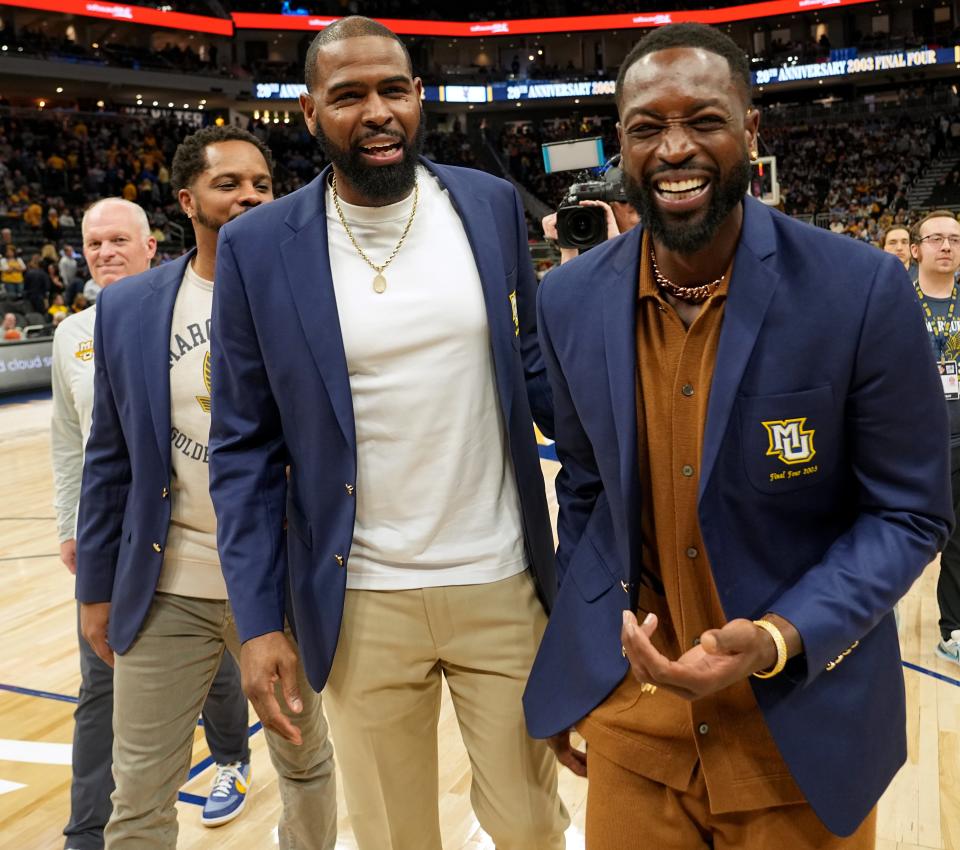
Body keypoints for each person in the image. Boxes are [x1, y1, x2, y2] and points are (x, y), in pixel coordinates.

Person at [523, 22, 952, 848]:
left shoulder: (859, 289)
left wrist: (776, 637)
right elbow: (585, 498)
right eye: (647, 126)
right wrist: (570, 666)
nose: (674, 147)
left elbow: (907, 513)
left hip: (799, 734)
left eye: (704, 120)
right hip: (634, 733)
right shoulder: (568, 299)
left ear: (751, 132)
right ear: (621, 143)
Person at [207, 16, 568, 850]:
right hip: (358, 595)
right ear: (308, 113)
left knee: (532, 827)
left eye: (392, 90)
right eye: (348, 95)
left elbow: (531, 366)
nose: (376, 111)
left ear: (419, 98)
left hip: (503, 579)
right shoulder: (259, 246)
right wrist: (260, 621)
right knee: (394, 837)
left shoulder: (485, 204)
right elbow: (244, 447)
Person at [74, 129, 336, 850]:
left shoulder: (312, 296)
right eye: (229, 184)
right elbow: (110, 460)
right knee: (140, 793)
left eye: (261, 182)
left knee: (305, 761)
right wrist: (95, 586)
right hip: (169, 583)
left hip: (282, 585)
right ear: (188, 201)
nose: (250, 194)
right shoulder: (130, 308)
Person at [52, 198, 253, 850]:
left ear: (148, 246)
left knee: (220, 674)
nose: (105, 253)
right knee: (99, 687)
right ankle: (86, 833)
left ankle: (231, 759)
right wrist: (70, 525)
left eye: (118, 240)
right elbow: (69, 442)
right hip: (112, 539)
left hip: (191, 536)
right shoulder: (70, 334)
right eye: (93, 244)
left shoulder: (190, 310)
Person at [910, 210, 960, 665]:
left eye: (955, 240)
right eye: (937, 239)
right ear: (917, 248)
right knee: (897, 542)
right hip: (912, 445)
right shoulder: (898, 303)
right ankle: (863, 629)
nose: (946, 247)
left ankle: (953, 629)